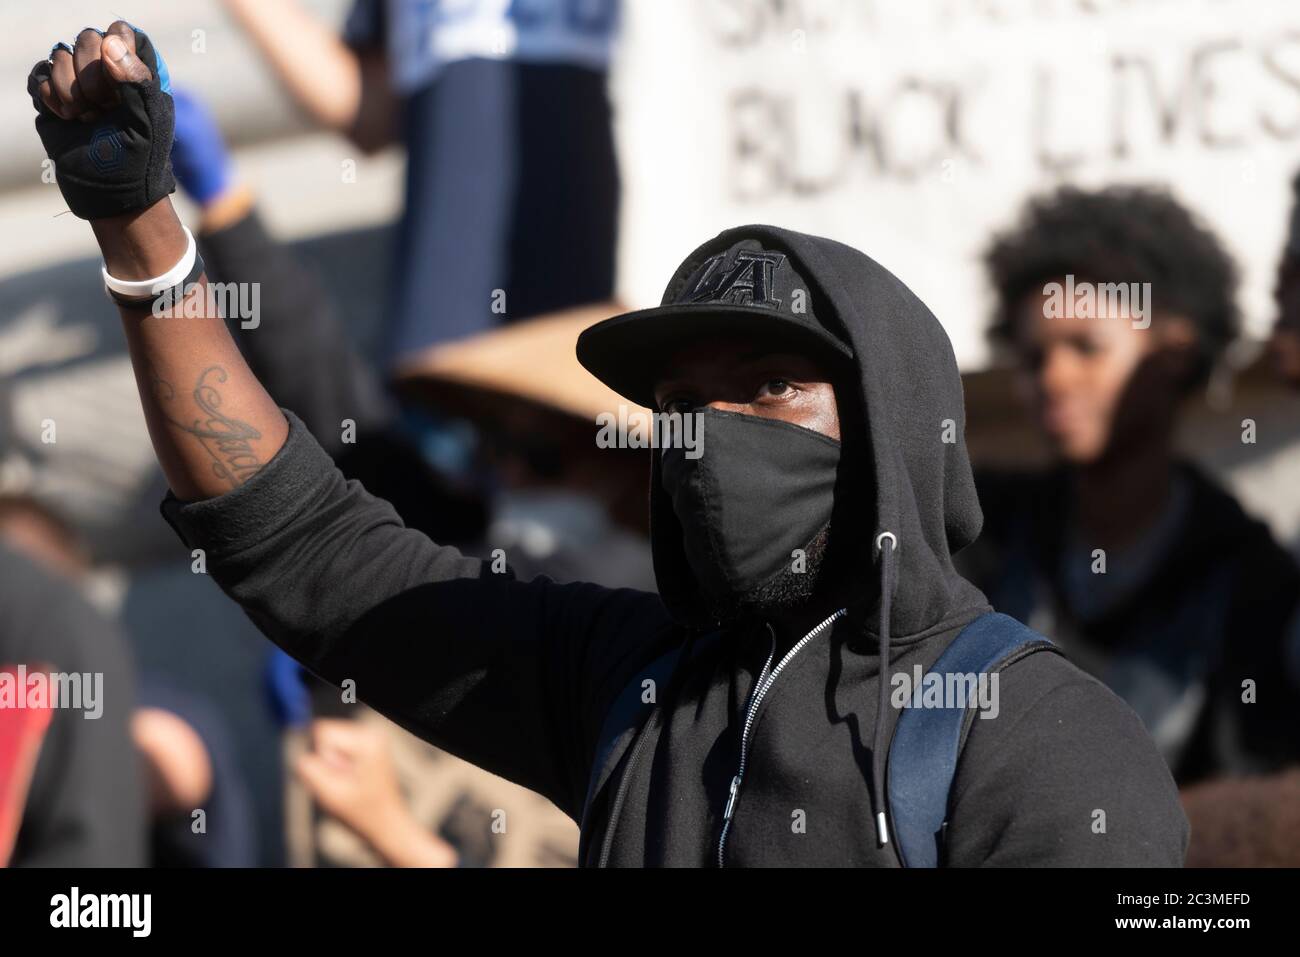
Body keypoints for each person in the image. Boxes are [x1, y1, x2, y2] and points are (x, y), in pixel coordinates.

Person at [27, 24, 1188, 866]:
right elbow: (295, 540)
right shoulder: (620, 684)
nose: (714, 437)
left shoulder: (1047, 745)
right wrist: (144, 240)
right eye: (683, 401)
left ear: (893, 422)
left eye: (770, 387)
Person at [968, 186, 1300, 786]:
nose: (1055, 379)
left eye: (1086, 348)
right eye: (1034, 358)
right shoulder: (979, 535)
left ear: (1172, 352)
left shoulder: (1251, 581)